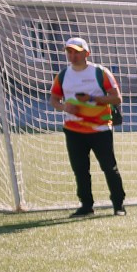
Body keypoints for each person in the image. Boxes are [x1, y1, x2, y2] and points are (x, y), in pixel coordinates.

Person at [52, 36, 124, 217]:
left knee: (109, 168)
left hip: (100, 129)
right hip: (73, 130)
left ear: (86, 53)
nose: (72, 55)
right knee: (80, 170)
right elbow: (54, 98)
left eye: (76, 52)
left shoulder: (100, 72)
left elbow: (116, 98)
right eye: (69, 51)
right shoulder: (63, 75)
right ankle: (86, 205)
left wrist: (92, 99)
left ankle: (118, 205)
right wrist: (63, 107)